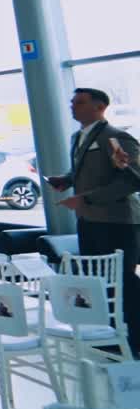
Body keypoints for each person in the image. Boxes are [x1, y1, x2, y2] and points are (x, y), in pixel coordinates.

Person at [47, 88, 140, 355]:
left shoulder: (115, 137)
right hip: (89, 219)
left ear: (100, 107)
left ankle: (135, 338)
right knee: (97, 280)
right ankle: (111, 335)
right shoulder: (78, 137)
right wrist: (66, 180)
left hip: (116, 222)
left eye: (79, 102)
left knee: (122, 281)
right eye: (72, 102)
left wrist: (87, 198)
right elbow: (85, 172)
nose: (72, 107)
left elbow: (132, 179)